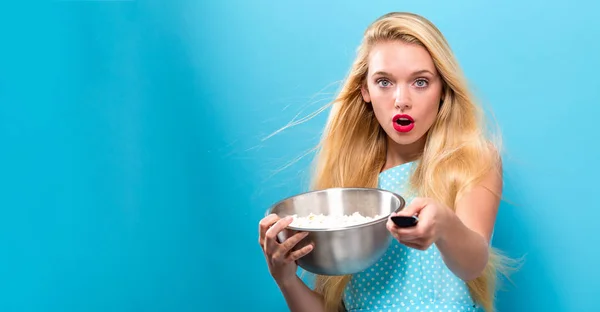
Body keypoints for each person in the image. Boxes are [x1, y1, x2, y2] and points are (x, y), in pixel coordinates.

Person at [258, 11, 511, 312]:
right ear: (365, 89)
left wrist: (443, 223)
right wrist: (285, 278)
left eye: (420, 82)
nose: (401, 99)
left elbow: (473, 264)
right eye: (384, 82)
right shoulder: (347, 184)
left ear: (443, 89)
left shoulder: (471, 161)